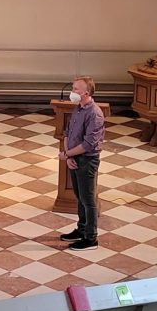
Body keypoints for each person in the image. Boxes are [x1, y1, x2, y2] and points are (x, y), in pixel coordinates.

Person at [59, 76, 105, 251]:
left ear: (86, 93)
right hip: (74, 158)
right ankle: (82, 229)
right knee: (79, 197)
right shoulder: (78, 108)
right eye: (73, 88)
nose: (72, 92)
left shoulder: (95, 114)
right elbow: (67, 132)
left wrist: (66, 154)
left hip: (87, 160)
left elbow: (88, 144)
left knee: (88, 199)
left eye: (76, 89)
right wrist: (69, 156)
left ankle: (91, 238)